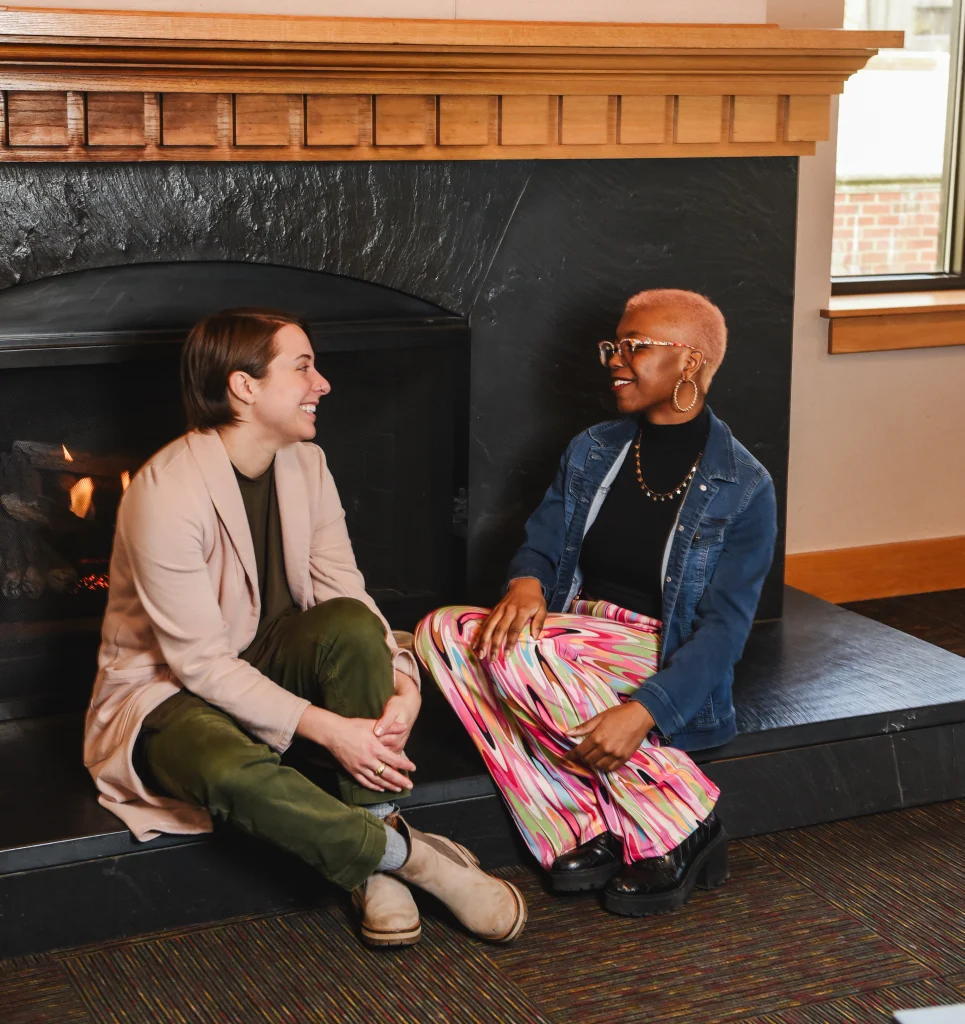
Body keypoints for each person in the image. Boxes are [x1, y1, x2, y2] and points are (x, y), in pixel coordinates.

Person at [84, 308, 526, 948]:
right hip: (165, 693)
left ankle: (370, 834)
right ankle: (408, 858)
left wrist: (404, 680)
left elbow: (348, 594)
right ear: (245, 387)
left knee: (347, 622)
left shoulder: (307, 465)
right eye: (303, 367)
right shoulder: (166, 490)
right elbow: (201, 666)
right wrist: (328, 730)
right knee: (223, 766)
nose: (322, 384)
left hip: (262, 659)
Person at [416, 288, 777, 917]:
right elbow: (543, 543)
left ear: (689, 362)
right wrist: (526, 581)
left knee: (511, 659)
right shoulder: (594, 449)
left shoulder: (744, 487)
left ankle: (656, 824)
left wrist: (644, 712)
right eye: (615, 345)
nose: (615, 359)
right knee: (441, 631)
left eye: (636, 347)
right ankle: (628, 819)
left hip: (658, 653)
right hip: (570, 636)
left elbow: (724, 628)